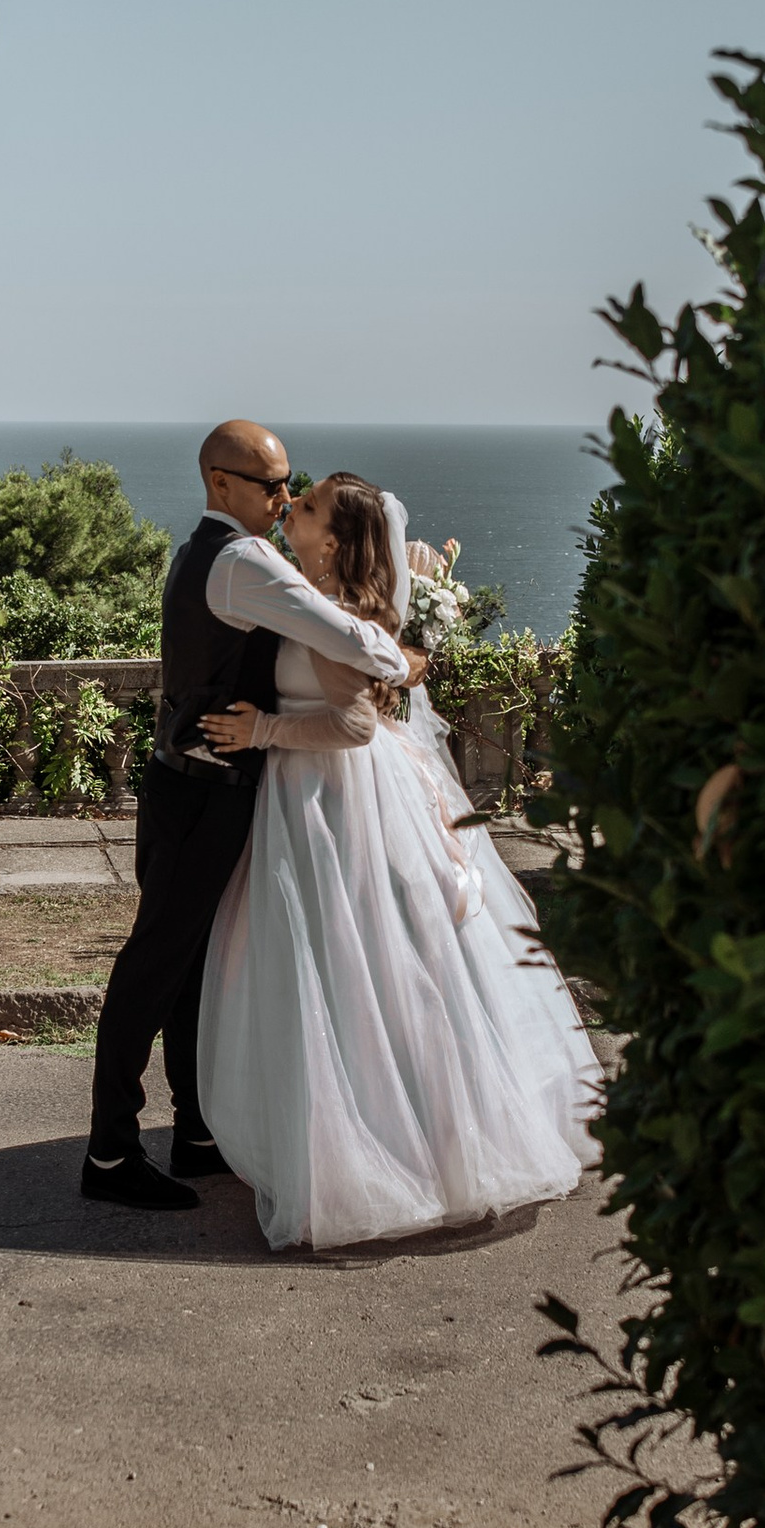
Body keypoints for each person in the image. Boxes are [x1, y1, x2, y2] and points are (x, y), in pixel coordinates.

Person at [194, 474, 598, 1250]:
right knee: (349, 969)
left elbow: (349, 727)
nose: (291, 511)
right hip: (318, 798)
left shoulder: (337, 618)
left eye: (305, 508)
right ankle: (361, 1133)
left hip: (332, 798)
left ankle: (387, 1150)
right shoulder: (318, 600)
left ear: (336, 541)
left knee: (352, 964)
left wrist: (263, 734)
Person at [82, 422, 412, 1208]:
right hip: (201, 792)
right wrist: (406, 651)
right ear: (219, 483)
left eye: (288, 483)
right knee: (156, 967)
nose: (285, 497)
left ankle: (196, 1133)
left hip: (193, 784)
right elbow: (362, 647)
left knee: (193, 970)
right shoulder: (241, 563)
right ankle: (109, 1153)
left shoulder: (209, 552)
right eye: (271, 487)